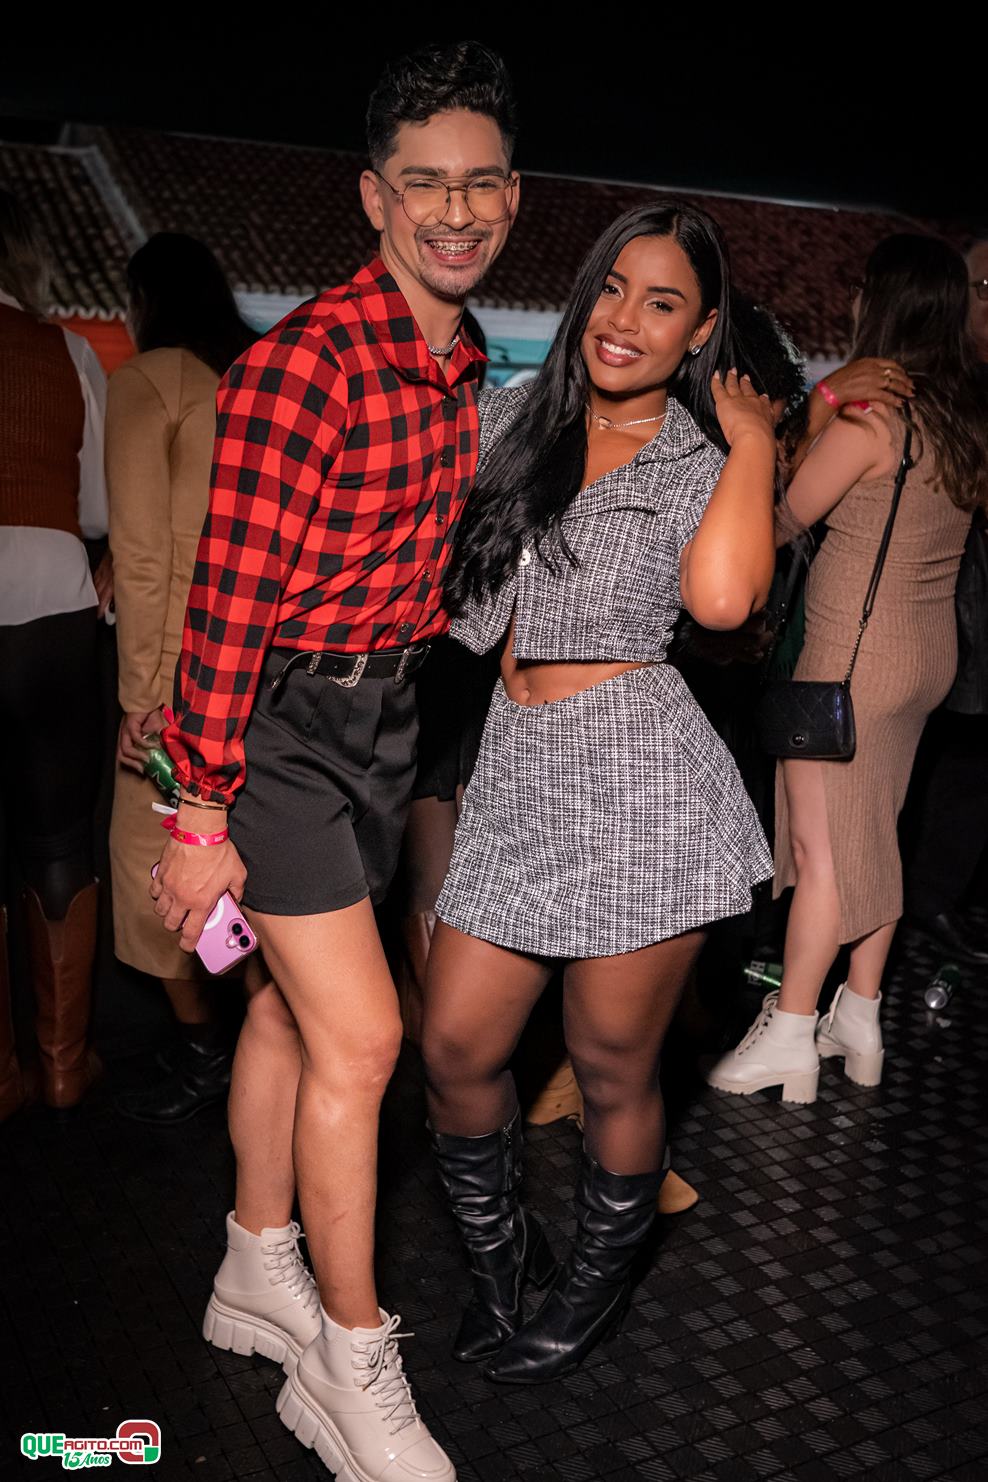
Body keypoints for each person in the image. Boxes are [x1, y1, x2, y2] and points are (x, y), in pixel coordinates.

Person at [151, 41, 519, 1480]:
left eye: (480, 183)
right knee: (367, 1041)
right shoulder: (309, 363)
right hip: (284, 727)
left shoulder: (462, 363)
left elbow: (419, 572)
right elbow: (227, 604)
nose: (455, 211)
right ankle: (347, 1363)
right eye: (423, 183)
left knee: (288, 1018)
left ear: (512, 195)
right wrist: (198, 809)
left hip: (382, 722)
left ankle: (254, 1263)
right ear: (374, 199)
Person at [421, 200, 778, 1384]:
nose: (624, 319)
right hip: (515, 768)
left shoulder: (699, 461)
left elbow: (721, 604)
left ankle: (592, 1287)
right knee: (455, 1044)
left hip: (637, 783)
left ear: (700, 331)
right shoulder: (512, 418)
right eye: (613, 288)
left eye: (662, 302)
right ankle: (501, 1262)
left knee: (611, 1059)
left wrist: (754, 442)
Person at [707, 234, 987, 1104]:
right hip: (923, 658)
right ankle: (858, 1018)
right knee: (874, 837)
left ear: (884, 303)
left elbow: (774, 521)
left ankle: (792, 1031)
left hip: (851, 660)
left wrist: (822, 404)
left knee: (821, 851)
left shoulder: (872, 424)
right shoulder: (965, 424)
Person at [107, 233, 256, 1123]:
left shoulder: (149, 379)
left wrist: (139, 697)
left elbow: (141, 553)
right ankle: (257, 1031)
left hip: (171, 668)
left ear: (144, 300)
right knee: (237, 864)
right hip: (249, 662)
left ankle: (210, 1051)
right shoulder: (245, 376)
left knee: (155, 873)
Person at [0, 188, 112, 1119]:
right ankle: (64, 1064)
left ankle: (1, 1077)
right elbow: (101, 508)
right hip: (57, 602)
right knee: (59, 836)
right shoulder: (68, 351)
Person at [901, 238, 988, 964]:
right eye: (984, 287)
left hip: (971, 602)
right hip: (927, 602)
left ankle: (934, 900)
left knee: (970, 761)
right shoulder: (924, 381)